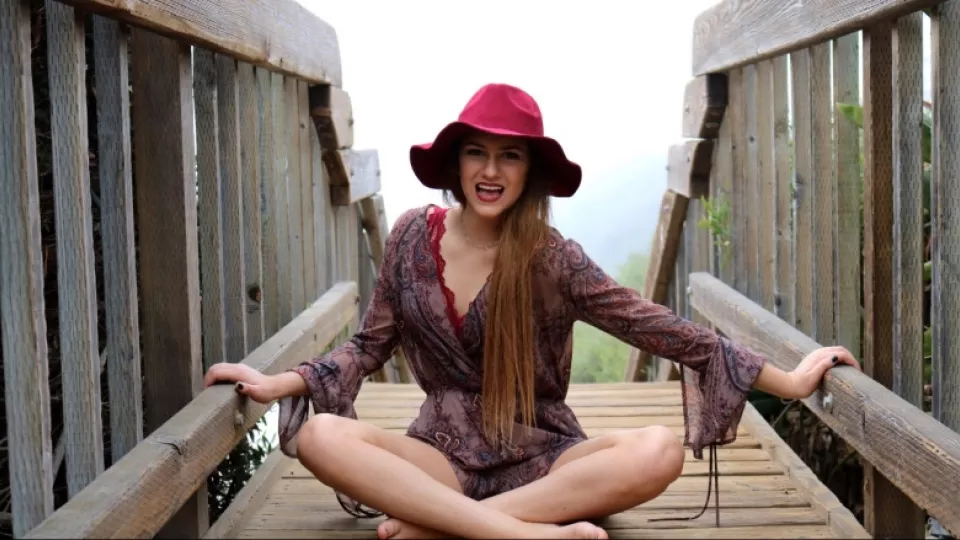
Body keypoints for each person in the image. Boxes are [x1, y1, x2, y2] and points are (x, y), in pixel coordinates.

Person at [204, 83, 860, 540]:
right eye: (476, 152)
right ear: (455, 163)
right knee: (319, 436)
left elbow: (663, 330)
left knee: (657, 450)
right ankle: (509, 531)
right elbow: (367, 347)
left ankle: (441, 526)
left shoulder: (552, 259)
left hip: (546, 460)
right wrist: (280, 383)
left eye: (509, 154)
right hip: (437, 456)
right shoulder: (409, 237)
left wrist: (793, 381)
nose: (490, 170)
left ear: (529, 171)